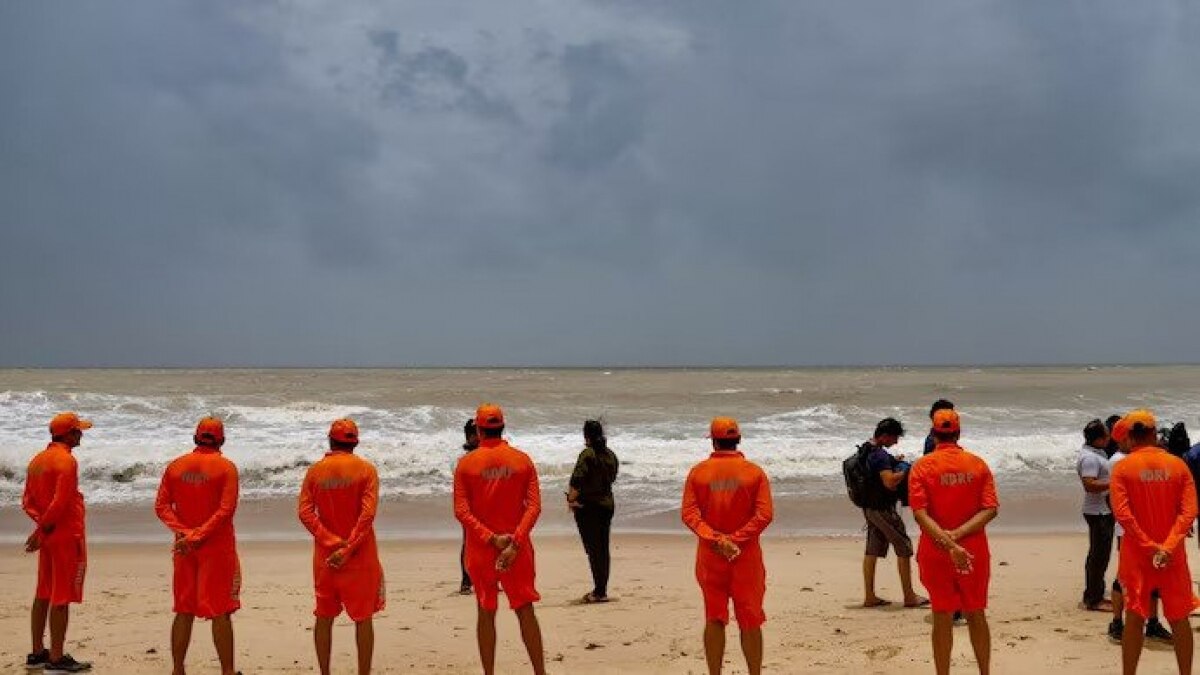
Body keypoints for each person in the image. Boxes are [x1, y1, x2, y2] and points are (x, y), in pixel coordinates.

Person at [453, 404, 546, 675]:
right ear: (503, 427)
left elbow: (461, 511)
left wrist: (491, 539)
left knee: (485, 611)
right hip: (517, 550)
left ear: (479, 430)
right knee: (525, 610)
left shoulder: (466, 464)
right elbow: (534, 507)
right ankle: (540, 672)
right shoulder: (522, 460)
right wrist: (515, 542)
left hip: (481, 550)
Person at [1110, 409, 1200, 675]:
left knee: (1134, 619)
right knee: (1179, 619)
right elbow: (1189, 512)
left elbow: (1123, 515)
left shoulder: (1122, 468)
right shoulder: (1178, 465)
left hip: (1137, 556)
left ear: (1130, 437)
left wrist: (1149, 547)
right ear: (1154, 433)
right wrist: (1167, 547)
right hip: (1172, 557)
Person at [681, 417, 774, 675]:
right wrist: (735, 540)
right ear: (738, 440)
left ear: (713, 441)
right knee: (750, 619)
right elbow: (764, 515)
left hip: (711, 557)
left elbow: (689, 514)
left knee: (714, 617)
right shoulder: (754, 473)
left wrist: (717, 540)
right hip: (746, 557)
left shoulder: (698, 473)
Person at [909, 409, 998, 675]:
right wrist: (958, 537)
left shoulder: (922, 467)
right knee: (976, 613)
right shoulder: (977, 464)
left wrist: (949, 542)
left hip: (936, 550)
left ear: (933, 434)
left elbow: (920, 514)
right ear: (958, 433)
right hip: (973, 551)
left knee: (941, 615)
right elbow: (990, 509)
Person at [154, 417, 242, 675]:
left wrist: (185, 533)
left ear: (195, 438)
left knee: (183, 609)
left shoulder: (176, 466)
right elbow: (225, 510)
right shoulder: (226, 468)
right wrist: (197, 535)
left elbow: (161, 506)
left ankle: (178, 669)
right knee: (220, 611)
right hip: (216, 547)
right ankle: (227, 671)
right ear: (222, 440)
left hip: (184, 548)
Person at [298, 418, 385, 675]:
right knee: (363, 619)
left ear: (330, 441)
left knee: (324, 617)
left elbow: (305, 513)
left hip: (326, 558)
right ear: (355, 442)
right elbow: (367, 516)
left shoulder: (315, 471)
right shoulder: (366, 470)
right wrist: (347, 548)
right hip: (360, 555)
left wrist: (330, 541)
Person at [22, 413, 93, 673]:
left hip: (49, 534)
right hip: (65, 534)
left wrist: (41, 528)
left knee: (43, 592)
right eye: (78, 431)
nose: (81, 435)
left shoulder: (37, 461)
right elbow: (61, 501)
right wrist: (44, 528)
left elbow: (27, 502)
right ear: (69, 434)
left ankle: (37, 652)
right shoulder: (67, 461)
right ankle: (56, 657)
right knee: (61, 596)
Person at [1108, 417, 1173, 644]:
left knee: (1154, 575)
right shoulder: (1119, 462)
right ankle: (1117, 622)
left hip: (1150, 528)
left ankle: (1152, 622)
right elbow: (1117, 502)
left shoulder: (1138, 460)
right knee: (1124, 578)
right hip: (1127, 530)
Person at [859, 417, 926, 608]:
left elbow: (875, 473)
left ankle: (870, 596)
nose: (896, 442)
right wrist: (906, 470)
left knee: (872, 550)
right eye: (895, 437)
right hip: (882, 509)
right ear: (886, 436)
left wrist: (895, 462)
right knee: (904, 546)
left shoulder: (866, 448)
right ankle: (909, 596)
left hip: (869, 507)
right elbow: (889, 481)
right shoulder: (879, 455)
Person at [568, 419, 619, 603]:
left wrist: (571, 500)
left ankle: (599, 592)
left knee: (593, 550)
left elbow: (577, 481)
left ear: (586, 435)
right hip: (607, 505)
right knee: (603, 549)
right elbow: (612, 478)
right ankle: (601, 589)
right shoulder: (610, 455)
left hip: (588, 507)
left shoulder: (587, 454)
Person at [1077, 419, 1114, 611]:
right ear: (1098, 439)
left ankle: (1094, 592)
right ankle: (1093, 599)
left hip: (1102, 510)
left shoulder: (1096, 453)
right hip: (1097, 511)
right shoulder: (1090, 458)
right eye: (1107, 434)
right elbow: (1089, 484)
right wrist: (1116, 483)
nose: (1110, 437)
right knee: (1099, 556)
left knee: (1100, 555)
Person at [459, 419, 480, 595]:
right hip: (470, 508)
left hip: (483, 504)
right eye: (475, 434)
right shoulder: (465, 461)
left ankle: (489, 579)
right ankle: (466, 581)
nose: (479, 436)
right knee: (468, 543)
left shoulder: (475, 457)